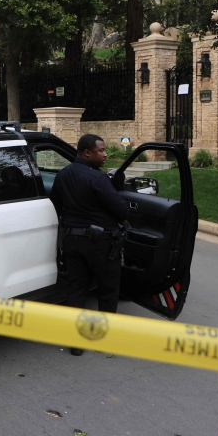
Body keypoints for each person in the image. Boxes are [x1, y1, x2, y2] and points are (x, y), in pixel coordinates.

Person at [49, 133, 129, 356]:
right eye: (101, 151)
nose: (105, 154)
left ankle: (76, 344)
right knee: (108, 289)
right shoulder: (98, 178)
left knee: (76, 290)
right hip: (102, 243)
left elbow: (56, 203)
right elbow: (120, 209)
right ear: (87, 153)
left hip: (73, 241)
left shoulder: (63, 175)